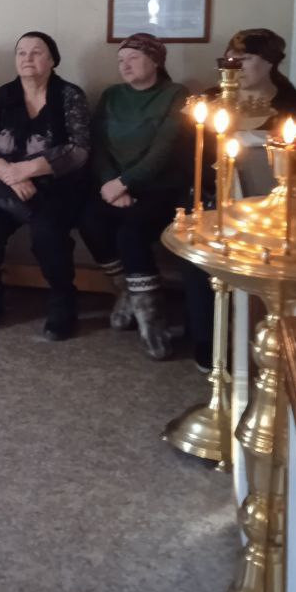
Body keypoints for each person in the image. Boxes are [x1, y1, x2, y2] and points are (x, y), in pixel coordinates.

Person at [184, 28, 296, 369]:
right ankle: (207, 337)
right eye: (229, 58)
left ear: (271, 62)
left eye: (245, 59)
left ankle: (262, 334)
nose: (234, 66)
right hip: (214, 194)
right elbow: (191, 154)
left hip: (268, 202)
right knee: (198, 255)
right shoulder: (211, 100)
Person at [0, 31, 91, 340]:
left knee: (48, 233)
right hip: (4, 186)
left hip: (56, 187)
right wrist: (10, 174)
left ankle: (63, 299)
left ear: (52, 60)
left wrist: (26, 170)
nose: (27, 58)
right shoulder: (1, 96)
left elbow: (79, 149)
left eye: (36, 52)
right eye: (21, 53)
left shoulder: (70, 95)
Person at [79, 33, 189, 360]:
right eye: (120, 60)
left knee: (131, 233)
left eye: (133, 58)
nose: (125, 65)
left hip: (160, 187)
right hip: (112, 186)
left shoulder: (176, 94)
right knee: (89, 221)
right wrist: (109, 183)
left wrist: (126, 182)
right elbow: (98, 144)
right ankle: (128, 291)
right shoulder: (112, 95)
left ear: (155, 61)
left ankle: (151, 321)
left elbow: (164, 149)